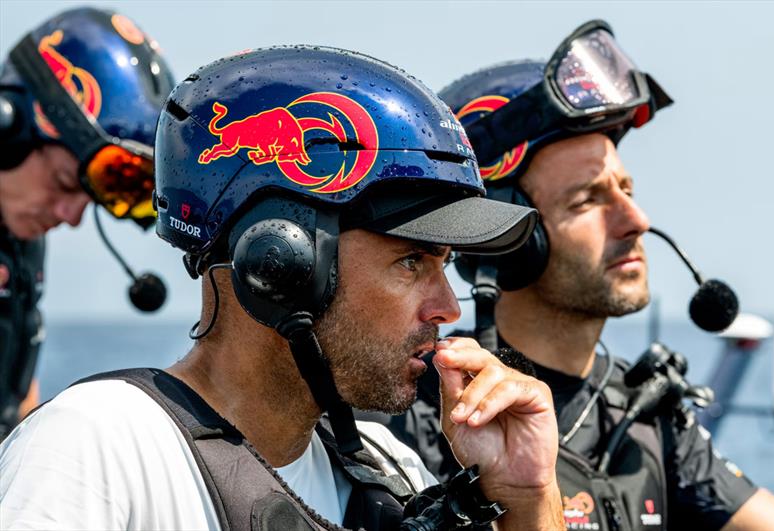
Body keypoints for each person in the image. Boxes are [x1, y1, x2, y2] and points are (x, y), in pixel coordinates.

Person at [0, 45, 566, 530]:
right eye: (412, 261)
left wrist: (526, 498)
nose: (447, 308)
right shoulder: (97, 448)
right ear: (283, 262)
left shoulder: (389, 471)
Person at [361, 20, 774, 530]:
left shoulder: (646, 418)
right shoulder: (415, 415)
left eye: (626, 190)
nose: (635, 220)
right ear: (502, 235)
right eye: (589, 199)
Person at [0, 7, 174, 438]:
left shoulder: (19, 232)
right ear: (8, 125)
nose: (72, 216)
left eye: (89, 198)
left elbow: (16, 393)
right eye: (62, 182)